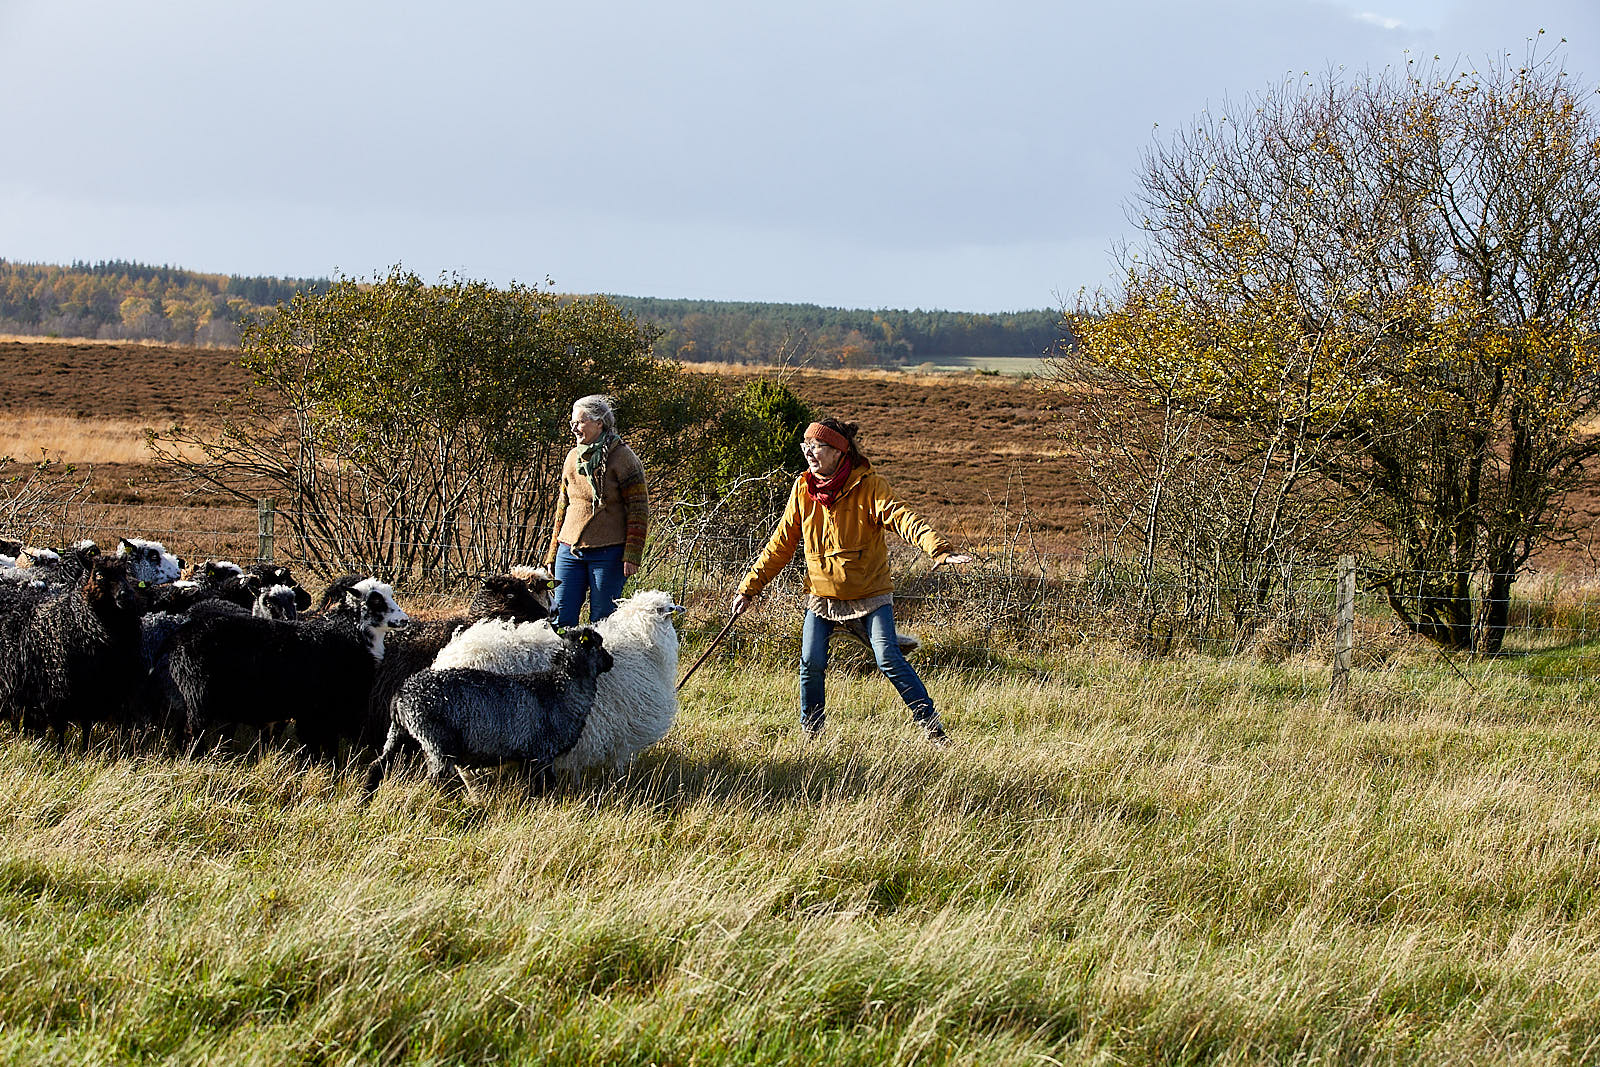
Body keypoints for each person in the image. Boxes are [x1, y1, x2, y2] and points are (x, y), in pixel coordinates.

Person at [730, 417, 970, 743]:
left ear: (839, 452)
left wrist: (939, 550)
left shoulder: (870, 486)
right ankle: (812, 735)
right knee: (811, 664)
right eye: (806, 446)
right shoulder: (803, 489)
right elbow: (780, 544)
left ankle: (933, 730)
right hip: (822, 596)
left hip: (870, 594)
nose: (809, 453)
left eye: (817, 447)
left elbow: (902, 517)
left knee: (889, 660)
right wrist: (749, 589)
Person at [545, 394, 649, 626]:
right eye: (572, 422)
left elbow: (639, 510)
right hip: (568, 551)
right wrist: (553, 552)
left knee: (603, 621)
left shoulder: (623, 458)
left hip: (609, 553)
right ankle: (564, 661)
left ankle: (597, 662)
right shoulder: (572, 457)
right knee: (560, 619)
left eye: (580, 422)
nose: (574, 428)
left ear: (599, 422)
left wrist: (632, 554)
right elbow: (562, 507)